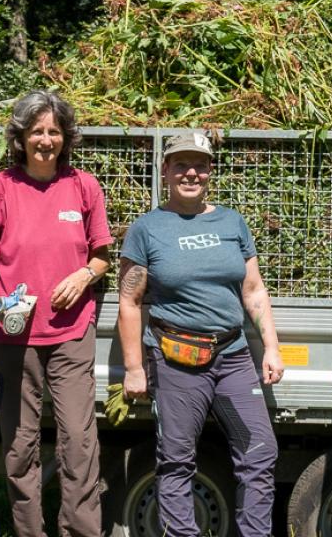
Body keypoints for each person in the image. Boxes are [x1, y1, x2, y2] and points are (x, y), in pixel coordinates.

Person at [116, 131, 285, 537]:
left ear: (210, 171)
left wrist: (272, 347)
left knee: (260, 452)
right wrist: (134, 367)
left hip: (234, 356)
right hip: (177, 360)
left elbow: (253, 289)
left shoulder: (231, 222)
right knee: (176, 460)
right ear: (165, 171)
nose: (190, 173)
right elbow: (129, 300)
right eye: (180, 165)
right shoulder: (147, 229)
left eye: (200, 165)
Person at [0, 91, 112, 537]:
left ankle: (80, 531)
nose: (45, 140)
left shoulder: (84, 186)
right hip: (13, 338)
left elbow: (103, 255)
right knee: (19, 445)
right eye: (36, 132)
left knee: (78, 443)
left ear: (66, 138)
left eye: (53, 131)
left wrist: (83, 277)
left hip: (70, 334)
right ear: (20, 137)